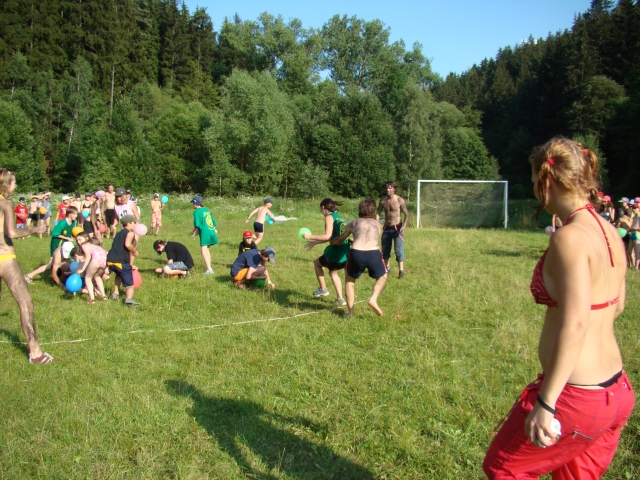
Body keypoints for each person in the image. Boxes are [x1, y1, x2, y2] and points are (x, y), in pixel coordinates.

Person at [483, 138, 634, 479]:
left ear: (546, 181)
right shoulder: (610, 231)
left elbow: (577, 323)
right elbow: (618, 306)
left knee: (503, 468)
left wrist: (547, 401)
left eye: (534, 181)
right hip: (615, 392)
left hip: (575, 396)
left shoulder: (569, 238)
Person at [0, 169, 52, 363]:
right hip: (5, 258)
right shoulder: (6, 203)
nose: (15, 186)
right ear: (5, 184)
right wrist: (35, 229)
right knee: (26, 303)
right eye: (13, 182)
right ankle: (36, 353)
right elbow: (12, 233)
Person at [331, 198, 387, 317]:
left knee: (350, 281)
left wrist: (332, 241)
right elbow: (370, 237)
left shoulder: (353, 223)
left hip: (356, 252)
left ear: (360, 209)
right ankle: (373, 299)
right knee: (382, 277)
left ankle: (350, 312)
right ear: (373, 210)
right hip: (373, 253)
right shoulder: (378, 225)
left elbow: (341, 240)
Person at [302, 198, 350, 306]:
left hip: (336, 252)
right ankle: (340, 299)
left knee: (317, 263)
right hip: (344, 252)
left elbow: (327, 236)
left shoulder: (328, 217)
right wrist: (315, 242)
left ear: (323, 207)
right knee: (333, 272)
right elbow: (332, 237)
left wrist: (309, 236)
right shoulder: (338, 217)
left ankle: (323, 289)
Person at [24, 206, 78, 284]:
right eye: (75, 214)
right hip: (57, 244)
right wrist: (67, 238)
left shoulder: (73, 222)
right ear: (69, 214)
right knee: (51, 264)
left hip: (65, 245)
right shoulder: (62, 223)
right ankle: (29, 276)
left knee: (65, 262)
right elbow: (55, 233)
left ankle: (61, 277)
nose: (76, 216)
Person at [376, 181, 409, 279]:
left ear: (394, 189)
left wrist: (404, 226)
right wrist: (377, 224)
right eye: (387, 188)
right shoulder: (383, 200)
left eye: (390, 188)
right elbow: (378, 213)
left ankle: (401, 271)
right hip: (387, 228)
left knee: (398, 250)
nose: (388, 190)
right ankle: (387, 268)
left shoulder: (399, 200)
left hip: (397, 228)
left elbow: (406, 214)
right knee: (385, 250)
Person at [107, 214, 140, 307]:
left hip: (111, 261)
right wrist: (134, 251)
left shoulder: (118, 234)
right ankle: (129, 299)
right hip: (121, 262)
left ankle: (115, 293)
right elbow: (128, 245)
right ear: (128, 224)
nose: (135, 224)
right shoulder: (130, 233)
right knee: (130, 285)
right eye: (134, 223)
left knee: (118, 275)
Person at [190, 196, 218, 275]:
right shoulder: (206, 210)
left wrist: (194, 231)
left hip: (205, 232)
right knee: (207, 249)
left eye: (193, 203)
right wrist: (214, 229)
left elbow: (197, 224)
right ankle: (209, 267)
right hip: (211, 230)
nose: (192, 205)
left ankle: (209, 269)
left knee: (203, 250)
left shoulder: (196, 212)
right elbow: (213, 221)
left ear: (196, 204)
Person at [76, 235, 108, 303]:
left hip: (97, 259)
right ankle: (103, 296)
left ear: (86, 238)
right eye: (77, 240)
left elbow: (88, 257)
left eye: (80, 239)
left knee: (88, 277)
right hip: (104, 259)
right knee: (97, 276)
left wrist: (82, 269)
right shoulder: (94, 245)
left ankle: (92, 299)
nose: (78, 242)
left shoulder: (84, 245)